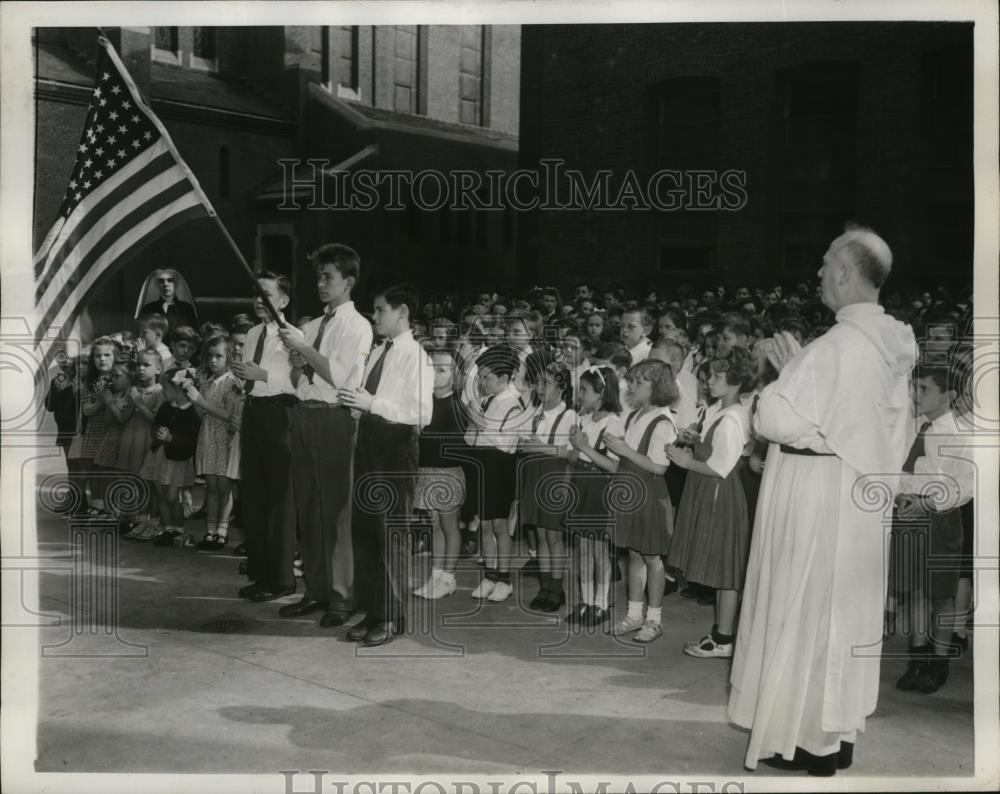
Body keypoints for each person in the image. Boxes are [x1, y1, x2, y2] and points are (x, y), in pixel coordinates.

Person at [728, 224, 918, 777]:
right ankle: (836, 732)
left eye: (825, 262)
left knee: (805, 607)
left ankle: (804, 741)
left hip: (814, 497)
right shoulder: (891, 344)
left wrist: (783, 377)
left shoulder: (835, 346)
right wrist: (798, 375)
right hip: (857, 496)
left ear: (843, 272)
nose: (817, 272)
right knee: (842, 612)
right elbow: (885, 430)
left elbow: (774, 419)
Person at [278, 244, 373, 627]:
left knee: (336, 513)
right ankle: (314, 590)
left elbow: (336, 375)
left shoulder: (357, 325)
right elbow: (298, 376)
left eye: (328, 277)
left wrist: (304, 352)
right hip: (305, 416)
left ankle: (342, 598)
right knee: (310, 509)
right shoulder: (314, 325)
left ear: (348, 282)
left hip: (335, 420)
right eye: (318, 276)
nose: (321, 283)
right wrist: (300, 363)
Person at [340, 283, 434, 647]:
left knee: (390, 535)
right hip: (369, 442)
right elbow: (368, 397)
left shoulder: (416, 356)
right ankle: (373, 610)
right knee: (365, 531)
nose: (374, 316)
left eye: (380, 310)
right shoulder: (380, 350)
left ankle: (393, 617)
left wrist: (372, 404)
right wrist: (357, 404)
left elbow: (420, 413)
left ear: (403, 313)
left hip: (396, 449)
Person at [889, 365, 974, 694]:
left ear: (949, 395)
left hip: (940, 518)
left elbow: (966, 485)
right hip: (908, 512)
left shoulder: (958, 433)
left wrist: (928, 503)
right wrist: (899, 495)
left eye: (924, 389)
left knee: (939, 594)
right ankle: (918, 657)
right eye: (914, 388)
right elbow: (898, 469)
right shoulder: (913, 427)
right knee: (915, 592)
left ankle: (939, 663)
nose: (915, 395)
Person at [665, 347, 755, 658]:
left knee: (725, 571)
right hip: (713, 491)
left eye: (717, 376)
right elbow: (717, 451)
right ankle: (722, 634)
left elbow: (721, 467)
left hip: (721, 495)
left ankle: (723, 638)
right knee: (723, 570)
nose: (709, 382)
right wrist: (696, 442)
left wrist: (686, 461)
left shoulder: (731, 418)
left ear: (735, 382)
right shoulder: (724, 410)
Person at [230, 272, 299, 602]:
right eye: (256, 292)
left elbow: (301, 381)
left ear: (283, 301)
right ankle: (261, 572)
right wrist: (244, 376)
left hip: (279, 414)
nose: (259, 299)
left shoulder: (293, 335)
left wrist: (263, 375)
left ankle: (283, 577)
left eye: (267, 293)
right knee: (254, 494)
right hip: (254, 411)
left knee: (278, 499)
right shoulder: (254, 331)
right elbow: (249, 375)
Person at [605, 359, 679, 644]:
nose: (631, 386)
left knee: (652, 557)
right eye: (631, 380)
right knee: (634, 554)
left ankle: (654, 618)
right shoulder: (635, 415)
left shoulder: (663, 420)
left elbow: (659, 467)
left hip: (649, 493)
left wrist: (624, 450)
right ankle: (635, 613)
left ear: (657, 387)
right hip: (630, 491)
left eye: (639, 382)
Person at [462, 344, 526, 603]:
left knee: (500, 525)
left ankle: (504, 578)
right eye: (480, 376)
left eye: (487, 376)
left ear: (505, 379)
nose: (482, 381)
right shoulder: (489, 400)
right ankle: (489, 576)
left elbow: (501, 440)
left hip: (500, 466)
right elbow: (470, 438)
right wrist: (477, 420)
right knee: (484, 524)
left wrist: (475, 418)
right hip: (483, 463)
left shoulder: (512, 402)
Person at [565, 365, 624, 627]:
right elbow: (574, 457)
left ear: (601, 392)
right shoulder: (585, 418)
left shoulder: (614, 423)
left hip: (600, 488)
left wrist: (584, 446)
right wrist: (576, 447)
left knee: (600, 550)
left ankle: (601, 603)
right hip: (582, 485)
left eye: (585, 390)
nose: (580, 395)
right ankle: (586, 600)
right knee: (583, 548)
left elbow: (612, 466)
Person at [519, 360, 577, 612]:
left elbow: (573, 453)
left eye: (547, 383)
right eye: (539, 383)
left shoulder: (569, 415)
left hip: (556, 477)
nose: (540, 388)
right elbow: (525, 441)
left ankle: (557, 588)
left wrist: (539, 446)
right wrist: (523, 444)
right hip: (534, 473)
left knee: (554, 535)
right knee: (540, 534)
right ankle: (544, 586)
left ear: (561, 387)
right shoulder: (535, 411)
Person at [412, 348, 468, 600]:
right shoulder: (424, 400)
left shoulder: (456, 404)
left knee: (449, 525)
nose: (434, 374)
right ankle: (435, 576)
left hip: (447, 472)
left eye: (441, 370)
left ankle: (448, 577)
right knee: (435, 525)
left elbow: (455, 442)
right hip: (427, 469)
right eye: (431, 367)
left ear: (455, 377)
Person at [187, 333, 243, 551]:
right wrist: (196, 403)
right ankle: (210, 531)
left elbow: (228, 415)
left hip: (224, 439)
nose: (213, 361)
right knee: (211, 487)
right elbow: (204, 416)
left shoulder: (231, 382)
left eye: (219, 356)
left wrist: (201, 401)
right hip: (208, 438)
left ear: (229, 357)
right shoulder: (208, 382)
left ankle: (222, 531)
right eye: (210, 356)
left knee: (223, 487)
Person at [141, 367, 201, 547]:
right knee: (160, 492)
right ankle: (168, 528)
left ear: (178, 389)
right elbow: (156, 424)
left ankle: (179, 529)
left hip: (179, 459)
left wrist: (171, 438)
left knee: (172, 496)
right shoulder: (166, 407)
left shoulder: (191, 411)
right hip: (159, 455)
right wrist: (158, 433)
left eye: (166, 388)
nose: (163, 391)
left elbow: (191, 438)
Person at [66, 337, 121, 519]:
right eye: (98, 356)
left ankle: (114, 507)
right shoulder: (89, 381)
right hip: (94, 430)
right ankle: (99, 505)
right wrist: (99, 400)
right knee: (95, 470)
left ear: (115, 357)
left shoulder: (121, 378)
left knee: (112, 472)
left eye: (107, 355)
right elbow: (86, 411)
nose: (102, 359)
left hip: (115, 430)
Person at [120, 350, 166, 540]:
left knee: (151, 484)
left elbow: (156, 419)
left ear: (158, 369)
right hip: (132, 440)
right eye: (138, 364)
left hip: (148, 442)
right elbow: (123, 418)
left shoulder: (160, 392)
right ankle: (141, 521)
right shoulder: (133, 391)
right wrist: (131, 404)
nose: (140, 368)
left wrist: (139, 404)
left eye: (146, 365)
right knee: (137, 483)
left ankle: (155, 523)